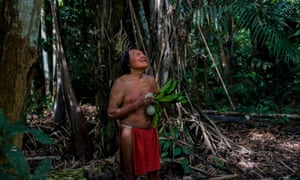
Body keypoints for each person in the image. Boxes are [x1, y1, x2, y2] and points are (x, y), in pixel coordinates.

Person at [107, 49, 161, 180]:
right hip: (130, 132)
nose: (143, 55)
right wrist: (136, 105)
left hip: (150, 131)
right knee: (130, 173)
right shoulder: (121, 83)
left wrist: (159, 102)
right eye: (138, 54)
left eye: (143, 53)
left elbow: (159, 106)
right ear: (129, 64)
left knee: (154, 172)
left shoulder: (152, 81)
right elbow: (111, 113)